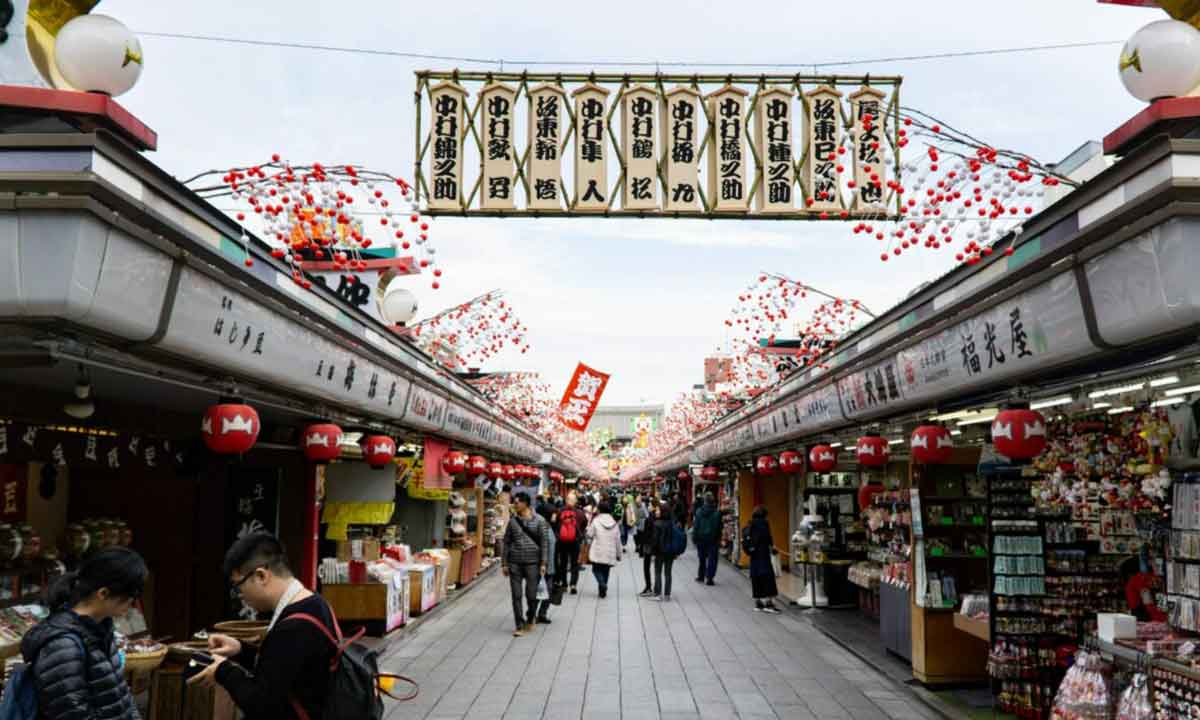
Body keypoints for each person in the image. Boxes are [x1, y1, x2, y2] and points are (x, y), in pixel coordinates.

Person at [186, 533, 338, 718]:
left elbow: (261, 705)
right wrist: (240, 649)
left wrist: (223, 670)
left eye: (238, 586)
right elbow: (282, 667)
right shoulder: (315, 603)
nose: (240, 595)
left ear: (261, 576)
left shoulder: (295, 628)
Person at [21, 547, 147, 720]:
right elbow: (71, 713)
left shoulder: (101, 629)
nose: (132, 603)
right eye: (129, 596)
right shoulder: (62, 645)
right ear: (103, 593)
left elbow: (122, 696)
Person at [501, 492, 550, 637]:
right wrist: (504, 563)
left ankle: (530, 617)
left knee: (531, 595)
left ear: (525, 504)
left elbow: (544, 543)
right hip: (514, 562)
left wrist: (543, 563)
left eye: (516, 503)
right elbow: (507, 542)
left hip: (533, 563)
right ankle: (519, 624)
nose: (514, 505)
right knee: (516, 595)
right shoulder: (513, 521)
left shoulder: (540, 521)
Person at [747, 506, 782, 613]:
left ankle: (758, 604)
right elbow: (767, 537)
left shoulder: (750, 524)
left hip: (754, 556)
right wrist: (772, 546)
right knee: (768, 577)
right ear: (764, 515)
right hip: (763, 554)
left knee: (756, 577)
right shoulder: (763, 523)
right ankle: (769, 604)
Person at [585, 501, 622, 598]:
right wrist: (619, 554)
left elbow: (589, 534)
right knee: (606, 571)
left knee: (596, 569)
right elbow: (618, 540)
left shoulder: (596, 521)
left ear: (600, 509)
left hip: (598, 550)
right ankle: (602, 591)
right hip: (610, 551)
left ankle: (602, 584)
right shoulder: (614, 523)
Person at [556, 491, 587, 595]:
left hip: (562, 541)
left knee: (563, 563)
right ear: (575, 501)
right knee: (574, 563)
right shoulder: (580, 513)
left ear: (566, 500)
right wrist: (579, 535)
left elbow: (555, 523)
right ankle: (573, 584)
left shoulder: (559, 511)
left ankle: (564, 584)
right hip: (575, 542)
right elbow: (584, 524)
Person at [534, 501, 558, 624]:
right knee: (539, 592)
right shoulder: (540, 528)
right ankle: (532, 614)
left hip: (551, 567)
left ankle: (542, 614)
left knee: (547, 591)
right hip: (541, 566)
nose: (555, 516)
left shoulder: (549, 526)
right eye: (553, 513)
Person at [692, 492, 721, 586]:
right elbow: (719, 527)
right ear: (713, 501)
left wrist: (694, 537)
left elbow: (696, 525)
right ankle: (709, 578)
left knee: (702, 558)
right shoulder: (717, 513)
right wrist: (718, 538)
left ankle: (701, 576)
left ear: (704, 501)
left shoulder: (699, 511)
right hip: (713, 539)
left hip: (701, 538)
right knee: (712, 559)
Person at [651, 502, 678, 602]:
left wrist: (653, 553)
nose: (656, 512)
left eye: (658, 510)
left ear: (662, 512)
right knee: (668, 573)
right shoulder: (672, 524)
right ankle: (667, 594)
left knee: (658, 572)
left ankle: (658, 594)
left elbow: (655, 540)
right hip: (670, 551)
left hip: (659, 552)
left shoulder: (657, 524)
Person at [636, 501, 657, 596]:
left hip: (649, 546)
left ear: (654, 507)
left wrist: (642, 547)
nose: (648, 506)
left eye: (650, 505)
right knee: (659, 569)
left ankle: (648, 587)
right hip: (658, 547)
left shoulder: (650, 519)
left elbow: (646, 534)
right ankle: (657, 589)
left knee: (646, 567)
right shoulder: (660, 518)